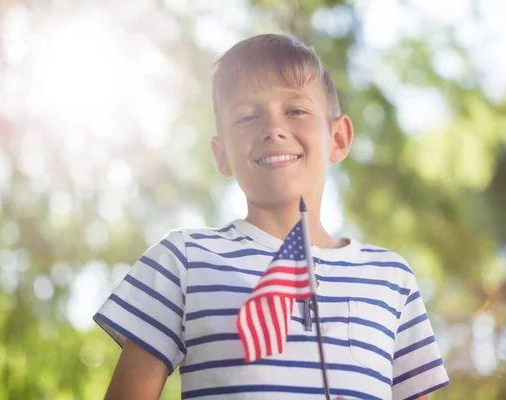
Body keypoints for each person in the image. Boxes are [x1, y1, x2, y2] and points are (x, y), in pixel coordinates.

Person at [94, 33, 450, 400]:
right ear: (222, 155)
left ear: (339, 138)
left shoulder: (392, 280)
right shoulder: (182, 260)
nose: (273, 129)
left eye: (296, 110)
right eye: (247, 116)